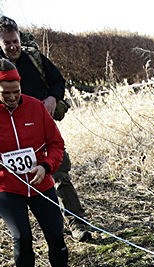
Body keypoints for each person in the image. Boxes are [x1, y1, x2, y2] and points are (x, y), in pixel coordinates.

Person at [0, 16, 92, 242]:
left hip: (41, 131)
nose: (12, 47)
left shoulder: (34, 58)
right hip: (8, 138)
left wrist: (52, 98)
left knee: (59, 172)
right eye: (7, 43)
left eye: (15, 41)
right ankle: (38, 228)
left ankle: (77, 223)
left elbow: (58, 81)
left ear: (19, 38)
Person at [0, 58, 77, 267]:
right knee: (22, 237)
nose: (11, 97)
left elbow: (56, 143)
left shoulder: (35, 108)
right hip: (8, 188)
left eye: (15, 91)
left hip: (41, 183)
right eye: (5, 93)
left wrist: (46, 167)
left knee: (56, 234)